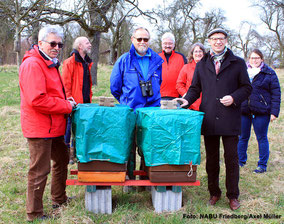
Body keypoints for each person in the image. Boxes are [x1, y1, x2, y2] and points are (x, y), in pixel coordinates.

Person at [176, 28, 252, 210]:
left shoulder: (238, 63)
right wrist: (185, 100)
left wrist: (234, 97)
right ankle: (214, 192)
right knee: (211, 159)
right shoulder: (202, 64)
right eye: (214, 39)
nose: (217, 42)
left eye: (221, 39)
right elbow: (195, 89)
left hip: (230, 118)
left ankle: (232, 195)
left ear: (226, 41)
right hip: (209, 118)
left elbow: (247, 88)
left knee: (231, 159)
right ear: (209, 41)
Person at [19, 25, 76, 222]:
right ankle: (34, 214)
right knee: (39, 171)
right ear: (40, 42)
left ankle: (59, 199)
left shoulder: (50, 62)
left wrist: (66, 101)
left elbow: (52, 92)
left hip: (54, 127)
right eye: (52, 43)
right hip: (40, 128)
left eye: (60, 44)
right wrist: (66, 106)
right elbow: (37, 100)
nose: (56, 47)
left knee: (61, 160)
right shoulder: (33, 64)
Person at [110, 27, 163, 182]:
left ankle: (147, 178)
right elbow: (115, 87)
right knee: (130, 146)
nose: (142, 42)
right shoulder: (124, 60)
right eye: (139, 39)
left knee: (149, 146)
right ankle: (130, 178)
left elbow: (159, 82)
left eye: (145, 39)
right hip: (131, 111)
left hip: (151, 112)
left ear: (149, 40)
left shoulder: (157, 61)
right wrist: (127, 101)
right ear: (132, 39)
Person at [237, 49, 281, 173]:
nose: (254, 60)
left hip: (262, 111)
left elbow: (276, 93)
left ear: (261, 59)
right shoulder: (243, 72)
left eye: (257, 58)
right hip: (244, 110)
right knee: (242, 137)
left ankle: (262, 165)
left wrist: (274, 112)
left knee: (261, 138)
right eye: (252, 58)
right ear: (248, 59)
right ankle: (240, 161)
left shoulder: (269, 73)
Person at [62, 36, 93, 164]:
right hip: (73, 103)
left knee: (81, 129)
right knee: (68, 129)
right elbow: (66, 84)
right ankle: (66, 155)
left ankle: (76, 153)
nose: (90, 44)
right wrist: (69, 101)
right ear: (80, 46)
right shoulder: (69, 62)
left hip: (85, 103)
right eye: (87, 43)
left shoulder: (87, 62)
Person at [176, 43, 205, 110]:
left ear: (203, 53)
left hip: (205, 104)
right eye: (196, 51)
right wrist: (187, 95)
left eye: (200, 51)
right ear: (192, 54)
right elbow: (179, 84)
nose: (198, 54)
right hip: (191, 104)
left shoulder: (208, 68)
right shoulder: (186, 68)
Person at [159, 32, 187, 100]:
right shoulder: (156, 57)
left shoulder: (181, 57)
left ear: (174, 45)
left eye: (170, 43)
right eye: (165, 43)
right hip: (159, 97)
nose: (167, 46)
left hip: (177, 97)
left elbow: (186, 76)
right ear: (162, 44)